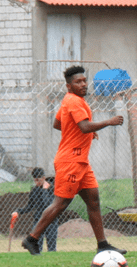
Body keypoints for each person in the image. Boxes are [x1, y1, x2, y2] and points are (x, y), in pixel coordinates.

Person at [22, 65, 127, 256]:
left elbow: (57, 124)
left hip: (81, 162)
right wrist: (107, 122)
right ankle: (32, 239)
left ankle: (102, 245)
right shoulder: (73, 101)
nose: (83, 84)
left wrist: (79, 130)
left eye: (84, 80)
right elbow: (85, 126)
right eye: (78, 82)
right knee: (60, 204)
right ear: (69, 86)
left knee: (94, 201)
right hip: (70, 161)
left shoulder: (70, 100)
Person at [16, 167, 58, 252]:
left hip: (51, 220)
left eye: (38, 180)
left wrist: (45, 190)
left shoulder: (52, 189)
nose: (37, 182)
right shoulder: (35, 190)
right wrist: (18, 211)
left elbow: (48, 204)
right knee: (37, 246)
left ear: (43, 178)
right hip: (38, 219)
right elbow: (30, 206)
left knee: (52, 248)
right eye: (35, 180)